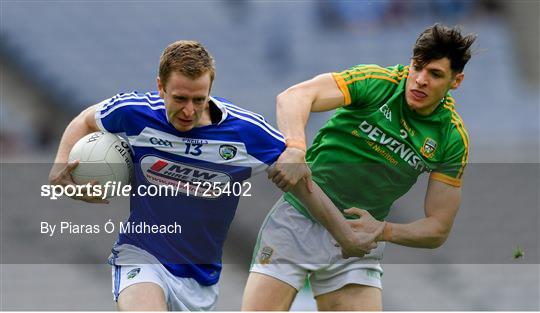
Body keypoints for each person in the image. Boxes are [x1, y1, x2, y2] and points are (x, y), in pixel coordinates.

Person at [48, 40, 378, 311]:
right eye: (179, 99)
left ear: (210, 89)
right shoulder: (135, 113)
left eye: (198, 99)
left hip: (200, 278)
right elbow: (87, 119)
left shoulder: (246, 132)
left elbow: (303, 183)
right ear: (161, 87)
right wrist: (58, 167)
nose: (189, 110)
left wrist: (344, 234)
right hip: (142, 255)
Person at [243, 24, 476, 311]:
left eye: (435, 74)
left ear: (457, 81)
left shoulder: (452, 138)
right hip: (299, 219)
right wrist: (295, 148)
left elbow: (438, 229)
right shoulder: (378, 82)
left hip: (359, 237)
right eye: (417, 67)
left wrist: (383, 231)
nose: (420, 80)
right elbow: (294, 96)